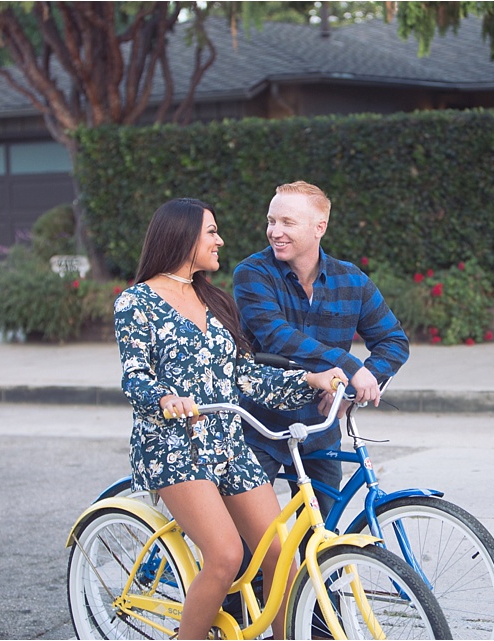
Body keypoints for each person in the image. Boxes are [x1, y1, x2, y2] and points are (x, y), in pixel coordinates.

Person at [113, 197, 347, 640]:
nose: (220, 240)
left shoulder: (214, 299)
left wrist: (310, 380)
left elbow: (247, 376)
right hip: (174, 447)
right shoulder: (135, 302)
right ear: (183, 239)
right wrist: (165, 397)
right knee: (223, 557)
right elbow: (134, 378)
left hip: (228, 442)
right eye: (211, 232)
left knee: (281, 553)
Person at [233, 181, 410, 520]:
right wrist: (348, 366)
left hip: (319, 428)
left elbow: (393, 340)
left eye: (287, 222)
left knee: (323, 538)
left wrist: (363, 379)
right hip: (259, 427)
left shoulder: (351, 281)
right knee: (249, 546)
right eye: (271, 221)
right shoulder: (252, 273)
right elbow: (276, 336)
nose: (275, 231)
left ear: (320, 228)